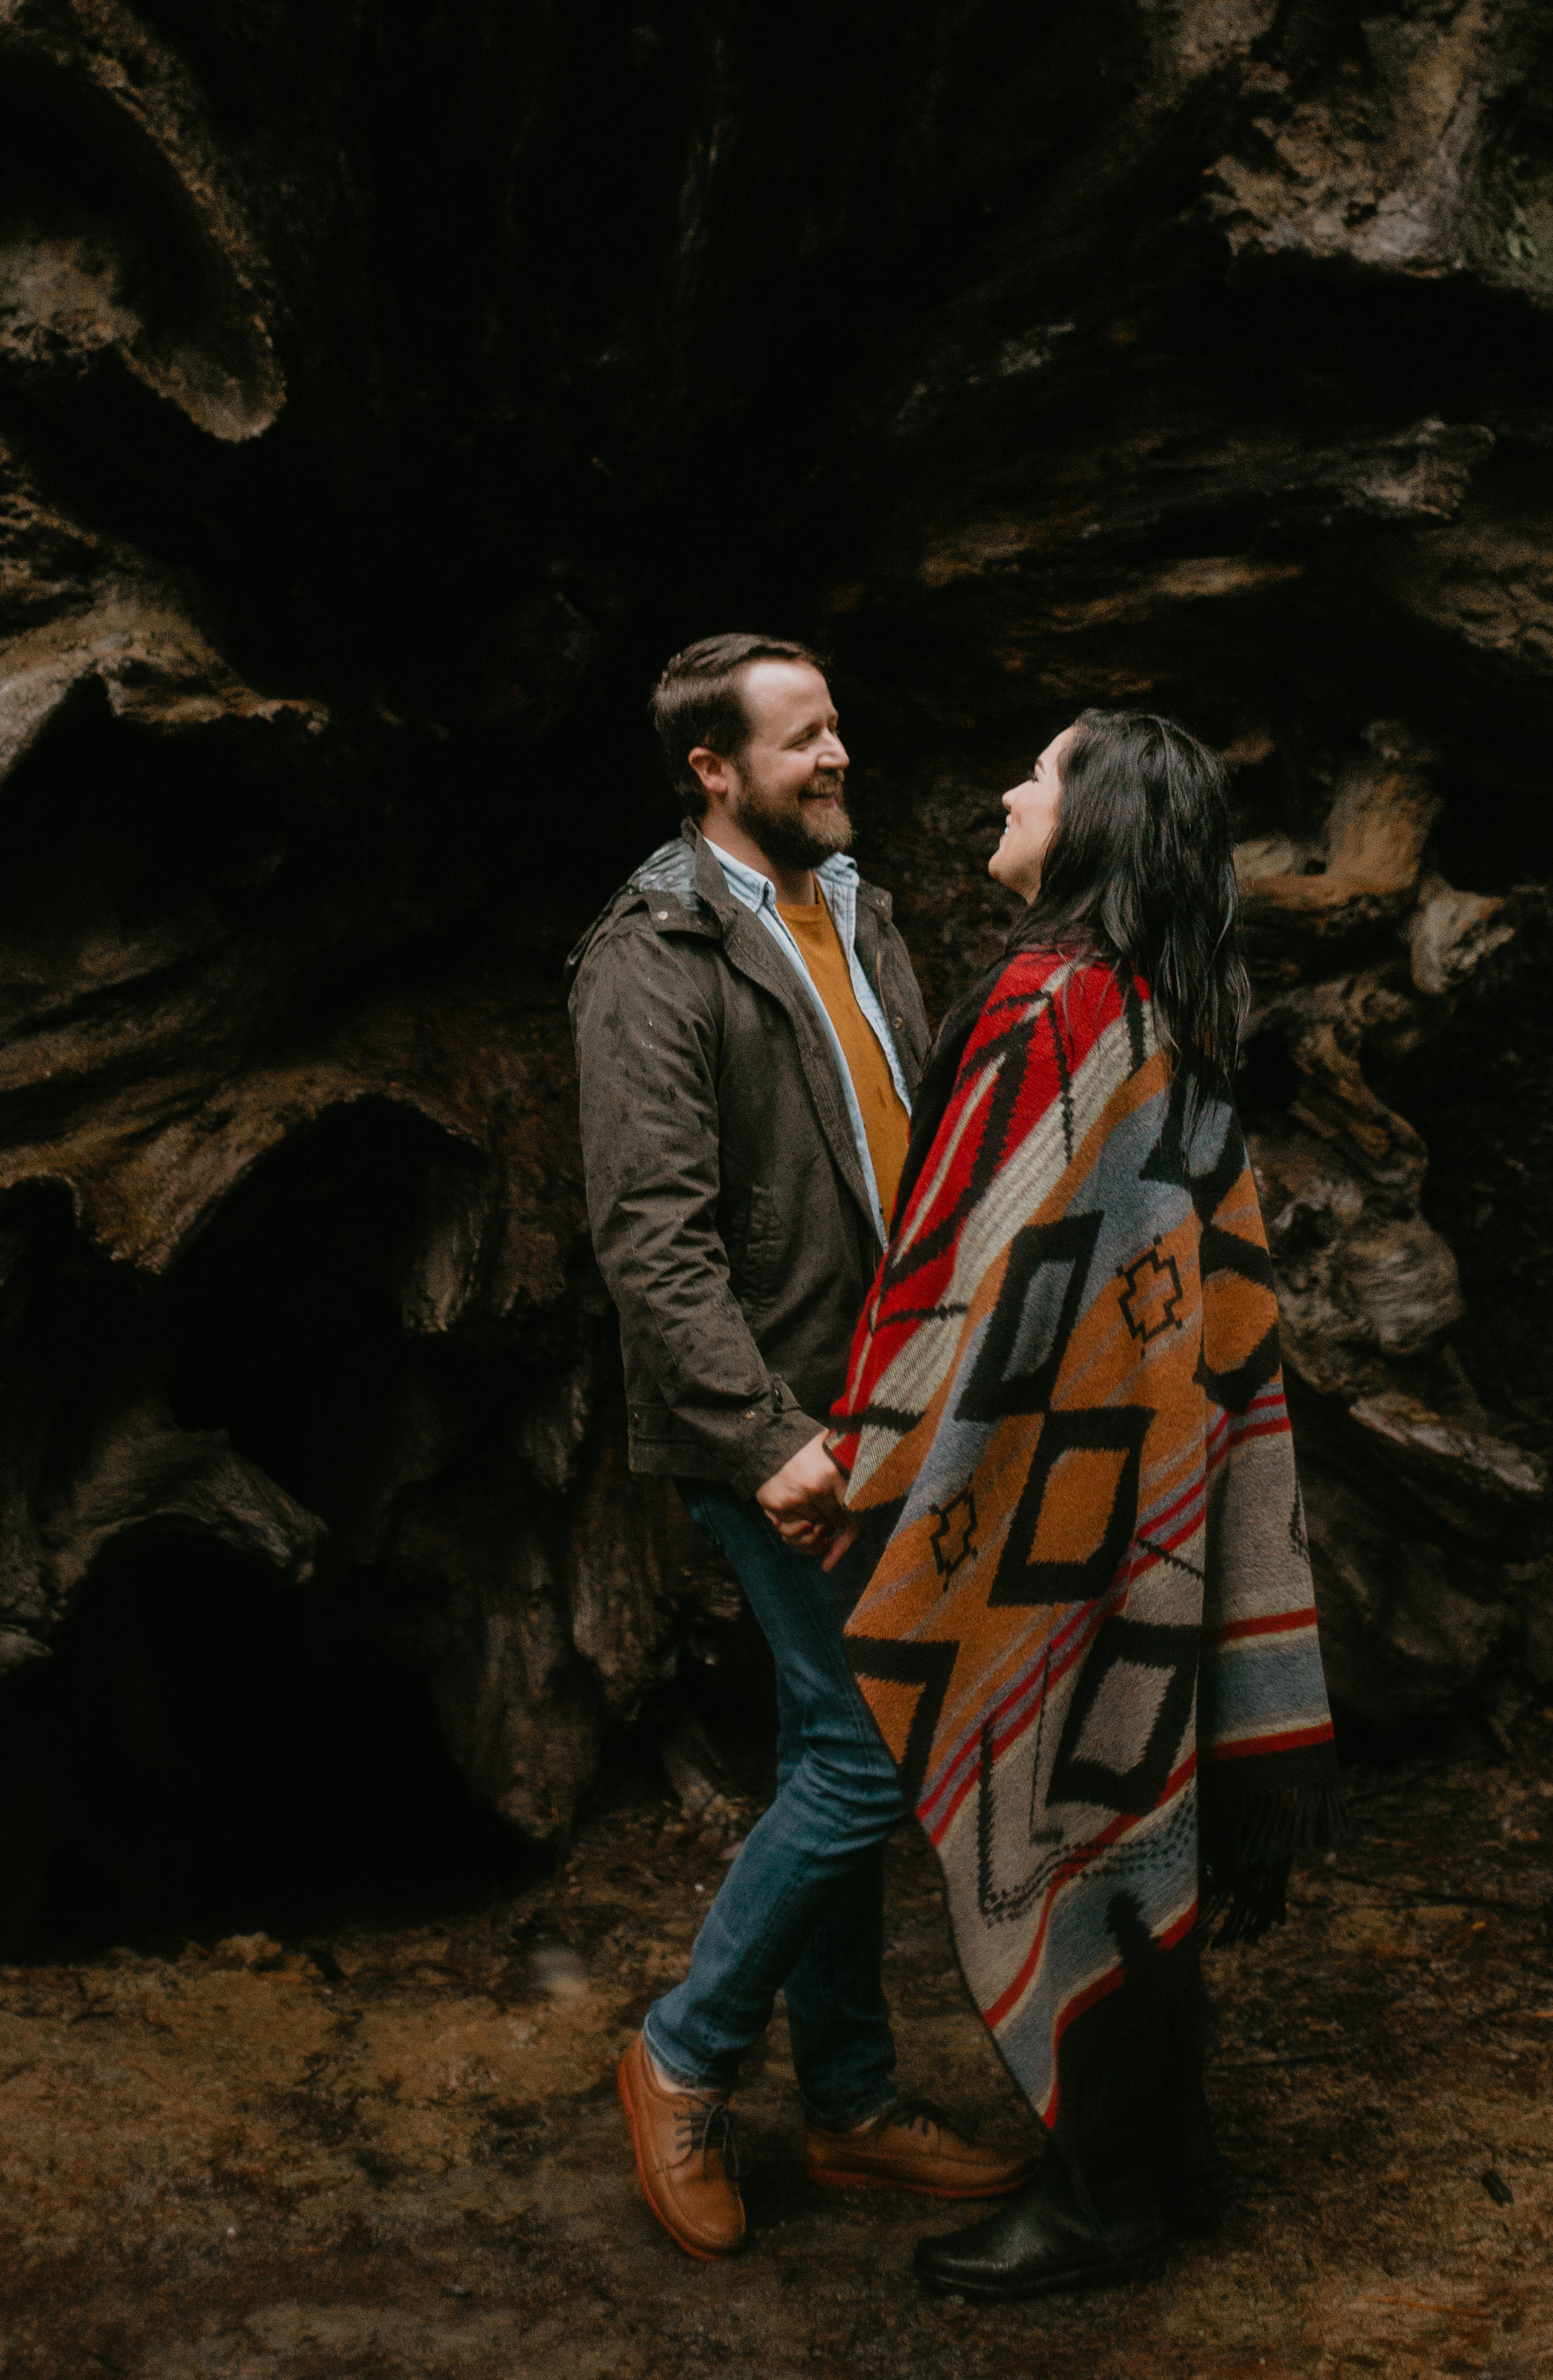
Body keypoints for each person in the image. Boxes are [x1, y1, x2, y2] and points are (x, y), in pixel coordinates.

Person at [824, 709, 1348, 2301]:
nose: (1006, 788)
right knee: (1136, 1806)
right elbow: (1221, 1311)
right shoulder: (1170, 1019)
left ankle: (1102, 2194)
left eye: (1039, 774)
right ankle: (1154, 2148)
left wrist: (861, 1455)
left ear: (1097, 821)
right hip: (1150, 1514)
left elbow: (958, 1287)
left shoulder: (1053, 1014)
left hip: (1051, 1532)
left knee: (1067, 1814)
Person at [567, 632, 1034, 2261]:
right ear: (712, 768)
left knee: (840, 1736)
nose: (839, 753)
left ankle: (846, 2105)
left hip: (888, 1412)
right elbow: (651, 1239)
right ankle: (682, 2055)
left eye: (837, 721)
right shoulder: (650, 954)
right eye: (801, 736)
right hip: (777, 1433)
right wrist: (767, 1436)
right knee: (867, 1753)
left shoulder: (856, 905)